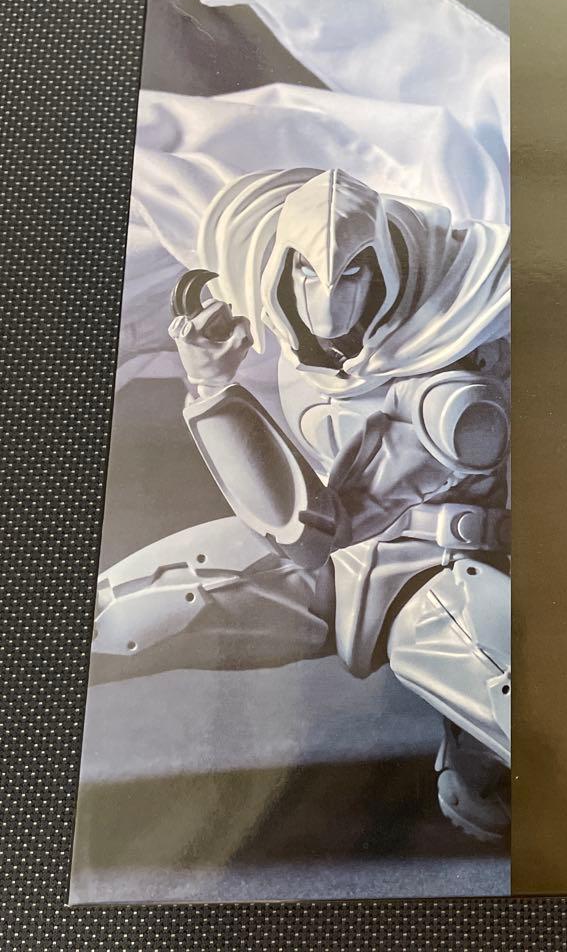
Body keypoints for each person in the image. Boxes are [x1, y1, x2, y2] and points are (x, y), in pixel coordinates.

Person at [91, 168, 511, 841]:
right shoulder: (292, 327)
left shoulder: (455, 379)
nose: (328, 304)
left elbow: (315, 532)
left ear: (383, 272)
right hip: (342, 560)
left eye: (350, 276)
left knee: (498, 773)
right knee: (124, 614)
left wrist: (211, 387)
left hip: (444, 573)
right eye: (309, 274)